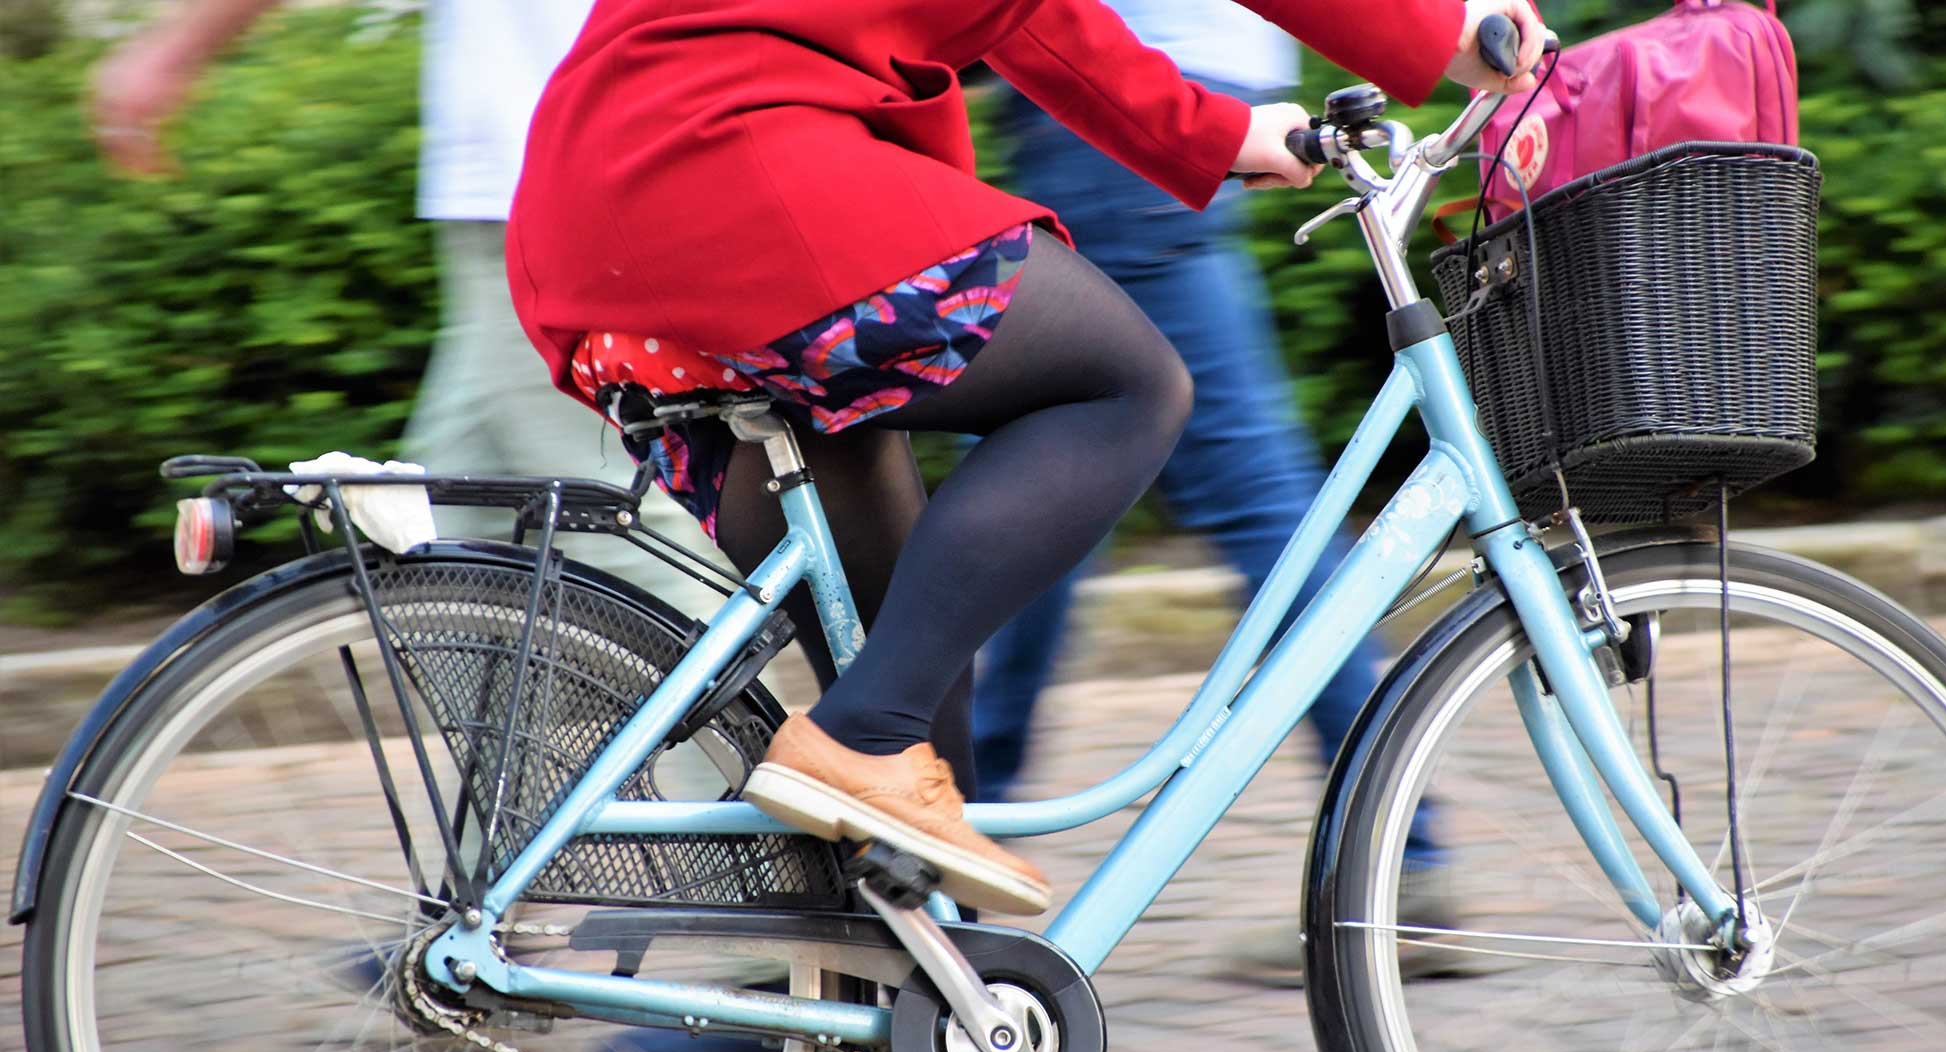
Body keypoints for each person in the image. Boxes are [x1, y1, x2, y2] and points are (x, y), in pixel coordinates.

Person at [505, 0, 1547, 928]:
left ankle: (893, 1008)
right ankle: (861, 741)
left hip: (618, 206)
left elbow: (1028, 16)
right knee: (1125, 389)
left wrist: (1217, 131)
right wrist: (1439, 27)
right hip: (722, 170)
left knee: (908, 656)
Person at [970, 0, 1449, 983]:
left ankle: (944, 835)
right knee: (1063, 493)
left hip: (1117, 112)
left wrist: (1446, 28)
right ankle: (952, 825)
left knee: (1096, 492)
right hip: (1166, 108)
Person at [91, 0, 730, 608]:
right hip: (522, 190)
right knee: (452, 530)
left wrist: (171, 52)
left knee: (611, 526)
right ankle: (598, 718)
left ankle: (728, 716)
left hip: (559, 185)